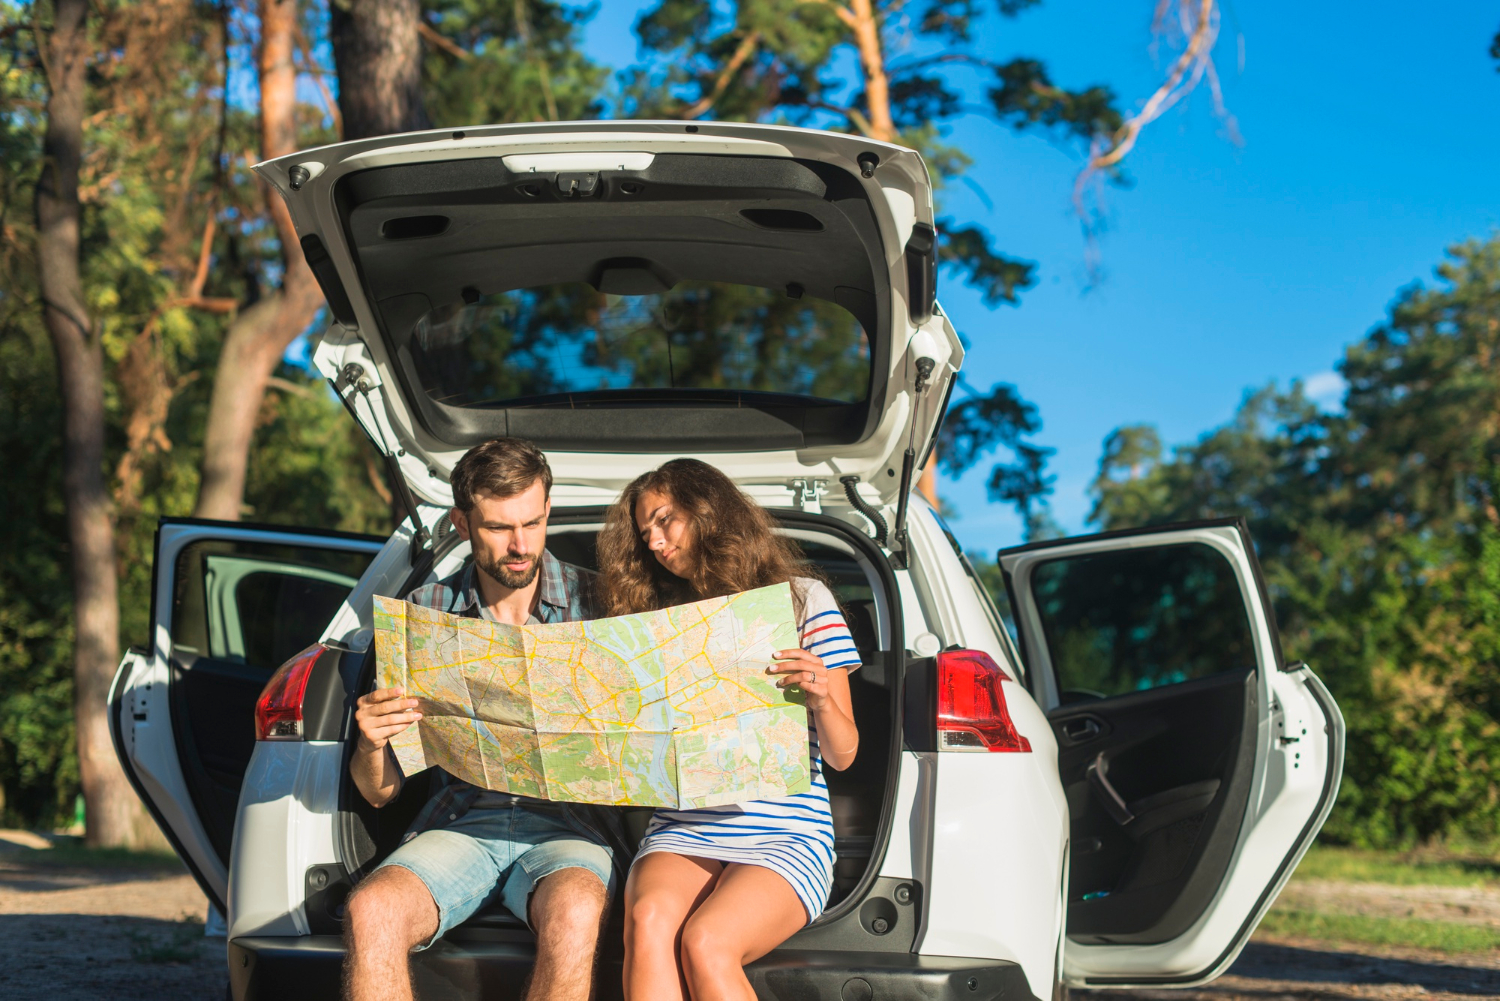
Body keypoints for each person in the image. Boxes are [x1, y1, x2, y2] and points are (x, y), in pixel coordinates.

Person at [342, 437, 623, 1001]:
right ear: (463, 523)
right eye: (498, 527)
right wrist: (371, 745)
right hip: (460, 824)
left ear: (547, 511)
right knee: (370, 908)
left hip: (571, 828)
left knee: (574, 911)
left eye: (533, 523)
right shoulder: (426, 613)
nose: (521, 546)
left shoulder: (604, 607)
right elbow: (379, 794)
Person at [596, 458, 861, 1001]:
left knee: (706, 942)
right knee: (648, 923)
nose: (655, 542)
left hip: (786, 831)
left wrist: (821, 697)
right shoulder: (658, 618)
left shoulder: (802, 599)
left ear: (707, 509)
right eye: (645, 533)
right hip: (686, 823)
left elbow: (845, 754)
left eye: (665, 520)